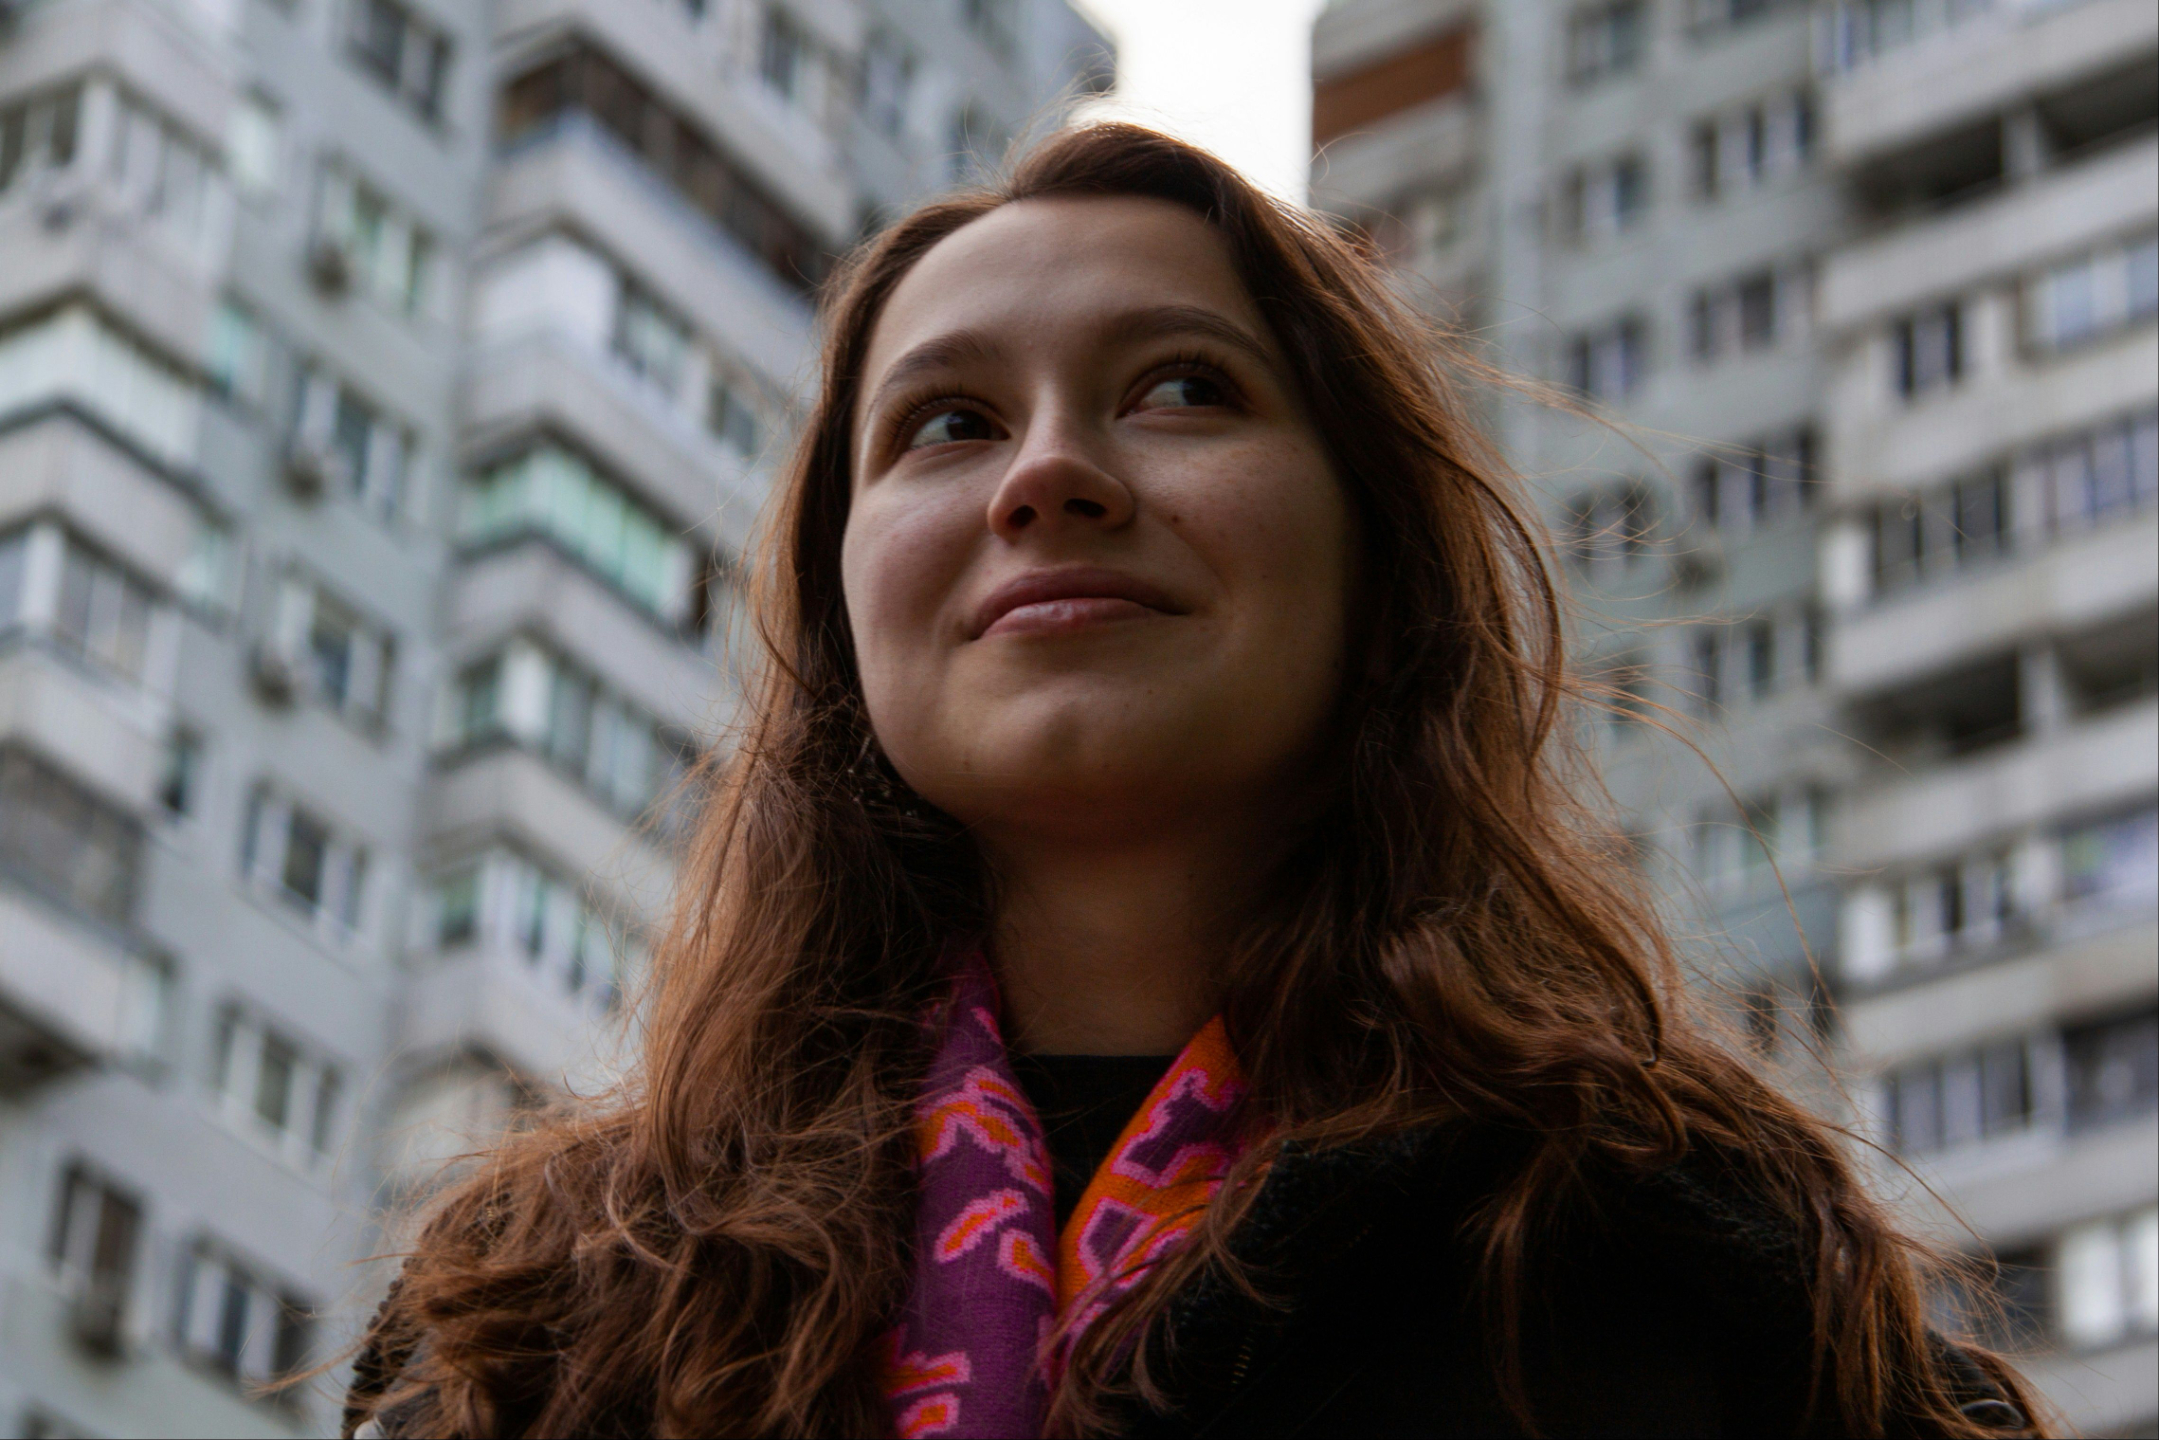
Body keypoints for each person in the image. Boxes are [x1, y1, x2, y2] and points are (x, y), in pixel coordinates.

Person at [344, 123, 2039, 1439]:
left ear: (1379, 569)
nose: (1049, 475)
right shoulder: (538, 1329)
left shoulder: (1680, 1269)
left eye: (1179, 388)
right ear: (840, 606)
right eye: (947, 424)